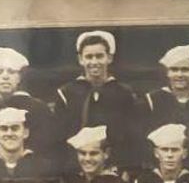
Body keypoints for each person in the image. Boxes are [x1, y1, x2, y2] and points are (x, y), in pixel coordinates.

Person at [53, 31, 139, 170]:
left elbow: (130, 138)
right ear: (81, 59)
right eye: (89, 57)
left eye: (99, 56)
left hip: (113, 167)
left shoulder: (123, 93)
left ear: (109, 58)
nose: (94, 62)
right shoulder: (67, 93)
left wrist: (124, 168)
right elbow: (59, 137)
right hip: (75, 168)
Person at [141, 44, 189, 174]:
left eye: (185, 69)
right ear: (167, 72)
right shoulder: (152, 101)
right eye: (174, 69)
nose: (179, 74)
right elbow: (143, 139)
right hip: (161, 172)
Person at [0, 47, 60, 163]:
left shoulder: (38, 109)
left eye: (11, 72)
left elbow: (47, 151)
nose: (5, 76)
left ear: (19, 77)